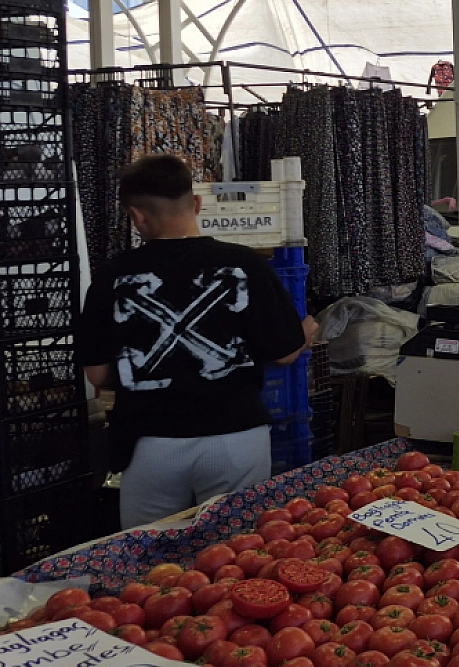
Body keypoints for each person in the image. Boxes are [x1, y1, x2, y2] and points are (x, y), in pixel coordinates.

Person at [77, 155, 312, 528]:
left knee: (151, 563)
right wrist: (306, 334)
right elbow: (283, 353)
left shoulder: (112, 276)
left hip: (150, 443)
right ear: (197, 203)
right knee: (235, 555)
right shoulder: (246, 265)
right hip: (235, 437)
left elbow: (97, 374)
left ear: (137, 216)